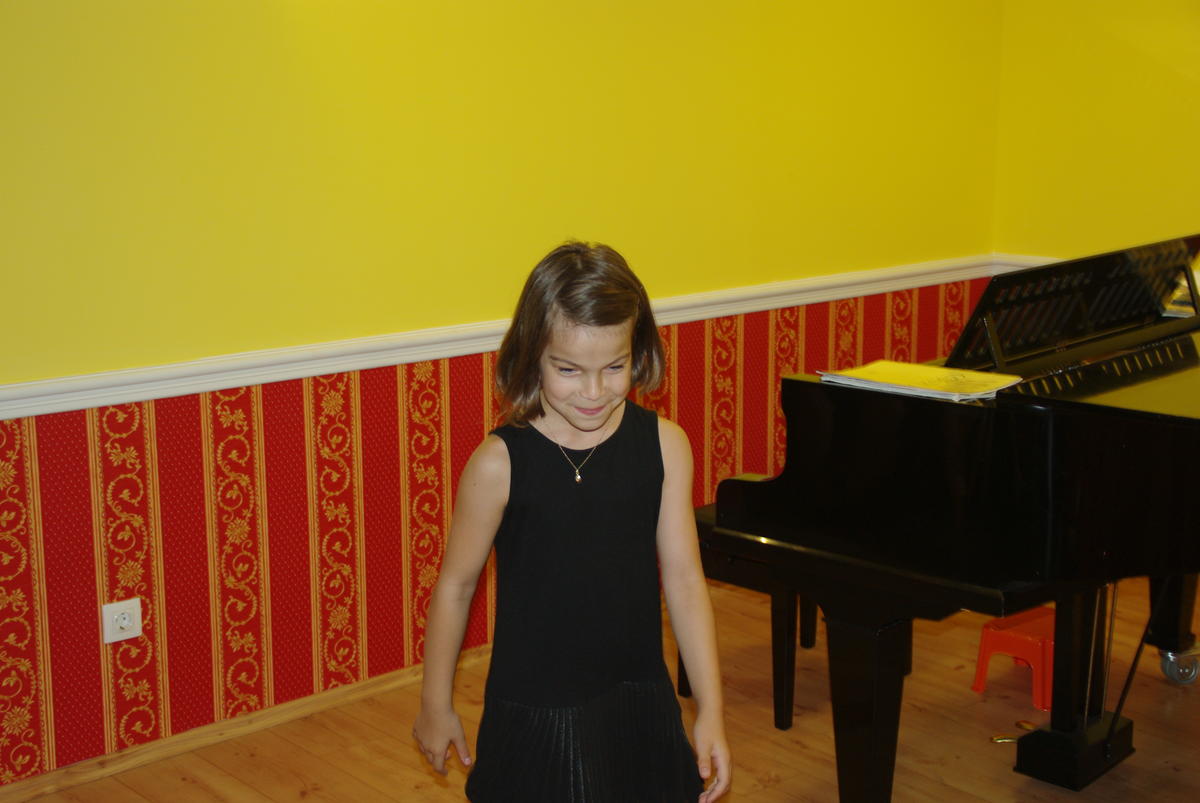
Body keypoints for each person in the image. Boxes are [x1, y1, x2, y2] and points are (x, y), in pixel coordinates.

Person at [413, 241, 731, 802]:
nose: (594, 391)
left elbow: (684, 580)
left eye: (614, 367)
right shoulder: (499, 464)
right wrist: (434, 705)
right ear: (531, 355)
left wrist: (711, 709)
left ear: (638, 352)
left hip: (638, 695)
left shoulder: (665, 446)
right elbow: (456, 587)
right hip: (535, 705)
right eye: (568, 369)